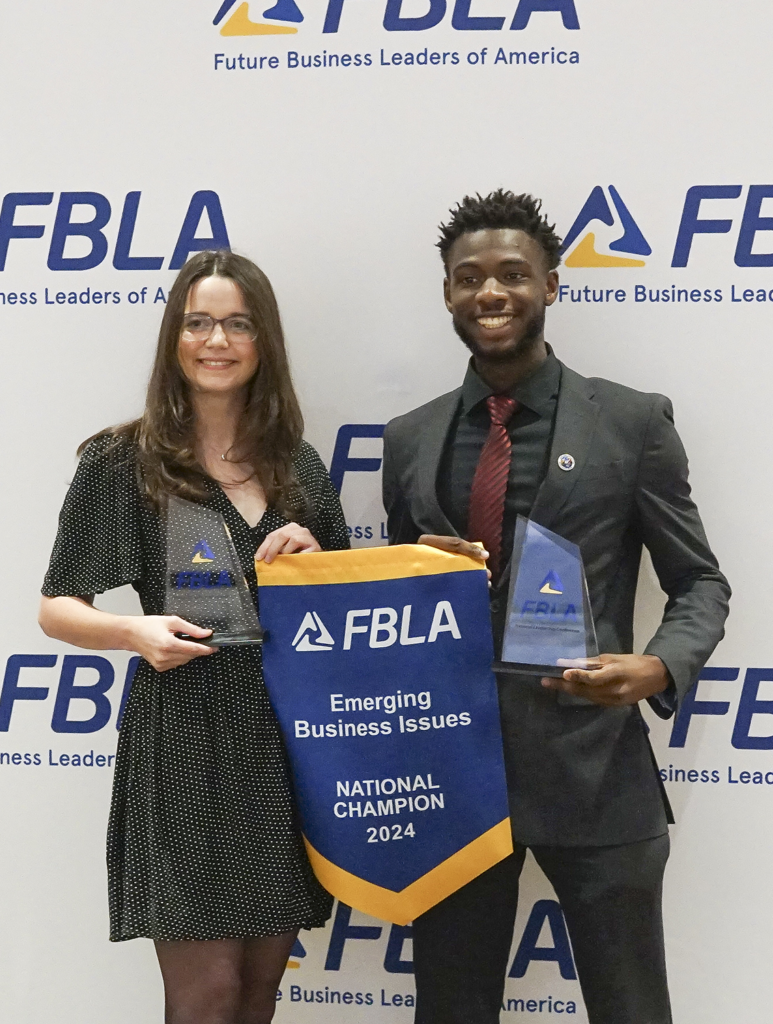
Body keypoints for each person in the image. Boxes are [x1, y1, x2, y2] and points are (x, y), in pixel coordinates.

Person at [381, 190, 730, 1024]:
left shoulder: (631, 422)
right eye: (468, 278)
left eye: (511, 274)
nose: (489, 293)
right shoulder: (408, 438)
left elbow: (700, 584)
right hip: (454, 780)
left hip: (595, 772)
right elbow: (397, 599)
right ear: (447, 294)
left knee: (629, 1008)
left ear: (550, 284)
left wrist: (656, 665)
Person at [38, 249, 348, 1024]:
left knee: (257, 993)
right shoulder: (123, 459)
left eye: (238, 324)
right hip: (182, 740)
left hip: (284, 748)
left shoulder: (298, 467)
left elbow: (348, 612)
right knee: (205, 995)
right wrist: (131, 630)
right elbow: (55, 607)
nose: (218, 340)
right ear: (174, 337)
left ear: (262, 342)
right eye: (199, 321)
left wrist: (314, 566)